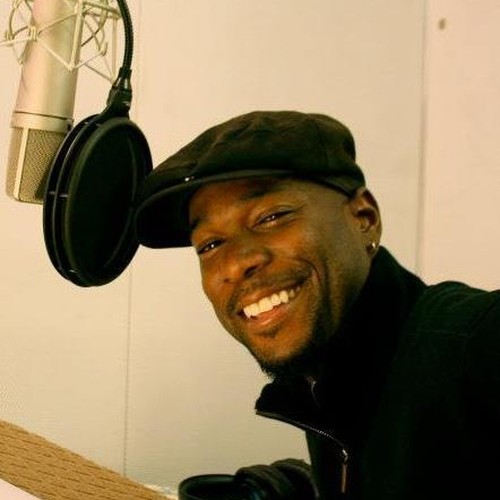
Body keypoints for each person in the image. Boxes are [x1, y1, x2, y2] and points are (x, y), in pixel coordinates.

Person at [134, 110, 500, 500]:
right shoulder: (326, 377)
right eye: (210, 244)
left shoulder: (478, 342)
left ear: (364, 218)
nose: (237, 263)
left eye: (272, 216)